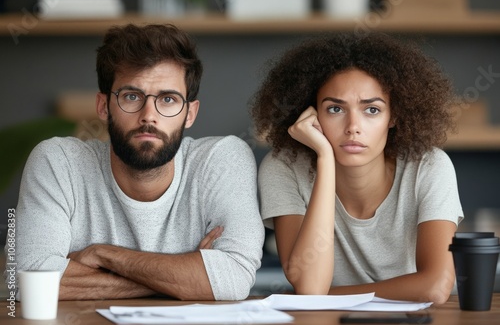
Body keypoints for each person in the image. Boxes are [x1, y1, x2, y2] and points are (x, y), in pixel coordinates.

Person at [9, 23, 264, 301]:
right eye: (131, 96)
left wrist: (103, 255)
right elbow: (30, 283)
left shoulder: (222, 159)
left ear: (190, 114)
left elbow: (235, 279)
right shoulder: (58, 163)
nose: (148, 116)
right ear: (103, 106)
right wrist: (187, 277)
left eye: (168, 99)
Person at [251, 32, 464, 304]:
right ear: (311, 113)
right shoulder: (284, 168)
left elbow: (435, 286)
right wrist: (325, 160)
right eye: (335, 110)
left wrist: (327, 298)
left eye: (371, 110)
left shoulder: (429, 167)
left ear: (393, 116)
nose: (353, 127)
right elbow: (309, 284)